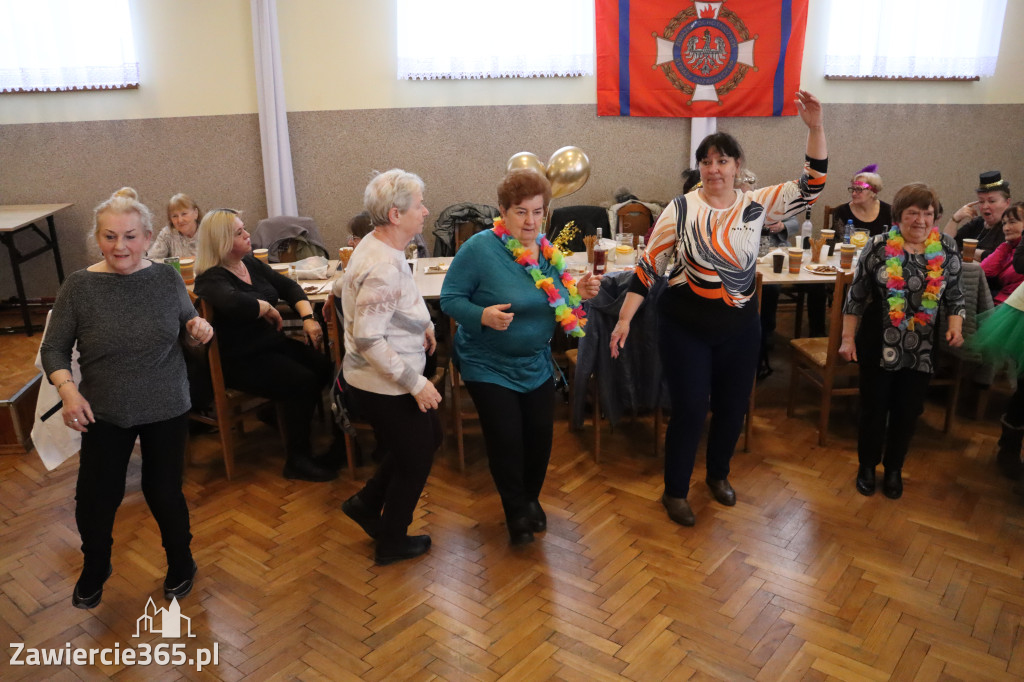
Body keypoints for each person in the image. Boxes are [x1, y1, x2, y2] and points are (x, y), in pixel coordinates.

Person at [609, 90, 827, 527]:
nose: (714, 169)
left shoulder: (755, 206)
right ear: (700, 168)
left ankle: (718, 475)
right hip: (685, 327)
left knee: (731, 407)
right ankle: (674, 490)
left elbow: (813, 185)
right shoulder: (680, 209)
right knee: (690, 409)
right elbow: (648, 266)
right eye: (707, 161)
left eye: (722, 161)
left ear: (737, 168)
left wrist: (815, 127)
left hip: (738, 327)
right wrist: (624, 319)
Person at [39, 187, 213, 609]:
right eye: (110, 236)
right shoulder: (79, 287)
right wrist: (68, 390)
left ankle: (181, 562)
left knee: (164, 491)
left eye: (130, 236)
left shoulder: (166, 277)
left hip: (166, 404)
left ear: (149, 236)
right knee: (96, 497)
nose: (121, 246)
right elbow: (53, 348)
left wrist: (198, 332)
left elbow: (188, 323)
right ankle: (96, 565)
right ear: (97, 239)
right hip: (106, 409)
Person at [441, 168, 602, 545]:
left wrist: (579, 292)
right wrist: (482, 315)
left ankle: (529, 497)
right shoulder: (480, 249)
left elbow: (557, 302)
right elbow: (450, 299)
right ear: (502, 211)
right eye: (520, 212)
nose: (530, 221)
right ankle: (515, 510)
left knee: (540, 438)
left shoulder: (547, 252)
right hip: (487, 362)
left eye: (537, 212)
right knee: (506, 438)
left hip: (535, 361)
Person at [336, 170, 443, 565]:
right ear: (396, 214)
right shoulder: (381, 262)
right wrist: (416, 383)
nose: (426, 211)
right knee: (417, 456)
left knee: (429, 438)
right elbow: (368, 338)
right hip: (382, 382)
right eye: (419, 205)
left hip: (384, 375)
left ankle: (367, 504)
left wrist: (427, 325)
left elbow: (400, 295)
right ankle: (391, 540)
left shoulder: (380, 242)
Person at [839, 183, 966, 499]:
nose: (921, 220)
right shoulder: (878, 247)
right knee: (873, 408)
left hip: (922, 346)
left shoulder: (947, 249)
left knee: (908, 411)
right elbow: (855, 297)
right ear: (899, 216)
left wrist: (955, 327)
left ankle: (894, 469)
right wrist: (847, 339)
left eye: (928, 213)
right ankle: (867, 466)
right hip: (877, 340)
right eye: (913, 212)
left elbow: (955, 296)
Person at [193, 209, 336, 482]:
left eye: (243, 229)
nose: (248, 235)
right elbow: (234, 302)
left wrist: (308, 318)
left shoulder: (250, 263)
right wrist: (264, 306)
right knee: (302, 381)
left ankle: (275, 410)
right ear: (221, 242)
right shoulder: (210, 278)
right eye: (239, 233)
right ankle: (297, 459)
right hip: (239, 359)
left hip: (270, 345)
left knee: (323, 366)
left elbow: (289, 287)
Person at [943, 171, 1011, 260]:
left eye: (992, 201)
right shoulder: (978, 222)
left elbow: (1001, 258)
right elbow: (945, 246)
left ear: (1007, 202)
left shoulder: (1011, 227)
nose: (985, 206)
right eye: (981, 201)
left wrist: (969, 252)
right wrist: (955, 219)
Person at [979, 202, 1024, 305]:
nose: (1006, 228)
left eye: (1012, 222)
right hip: (1001, 302)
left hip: (1014, 307)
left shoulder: (1020, 254)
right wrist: (1004, 246)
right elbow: (983, 272)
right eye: (1004, 223)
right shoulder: (1009, 248)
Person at [830, 165, 893, 238]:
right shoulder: (841, 211)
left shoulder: (889, 212)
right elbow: (838, 242)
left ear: (873, 192)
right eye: (853, 189)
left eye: (859, 190)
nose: (853, 193)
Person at [147, 193, 203, 259]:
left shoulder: (208, 232)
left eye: (184, 214)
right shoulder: (167, 234)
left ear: (195, 213)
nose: (180, 220)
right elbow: (151, 260)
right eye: (175, 216)